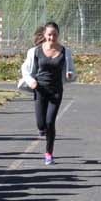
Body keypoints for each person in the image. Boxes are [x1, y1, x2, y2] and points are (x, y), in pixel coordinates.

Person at [20, 21, 75, 165]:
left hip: (56, 91)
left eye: (55, 35)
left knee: (50, 122)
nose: (52, 37)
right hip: (39, 89)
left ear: (58, 35)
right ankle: (42, 129)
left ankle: (49, 153)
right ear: (44, 35)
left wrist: (70, 75)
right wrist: (31, 81)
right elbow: (25, 69)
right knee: (41, 124)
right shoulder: (35, 51)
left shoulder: (65, 52)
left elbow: (72, 72)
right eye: (49, 35)